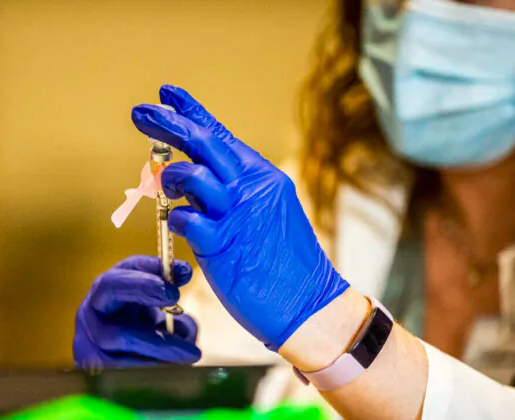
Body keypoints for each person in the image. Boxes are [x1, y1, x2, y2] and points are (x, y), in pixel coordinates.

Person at [73, 0, 515, 418]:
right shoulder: (331, 190)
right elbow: (236, 380)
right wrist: (160, 390)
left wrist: (337, 328)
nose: (417, 17)